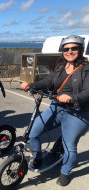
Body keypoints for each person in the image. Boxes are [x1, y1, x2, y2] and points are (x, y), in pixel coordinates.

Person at [20, 35, 89, 186]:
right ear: (62, 50)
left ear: (81, 49)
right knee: (31, 132)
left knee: (69, 146)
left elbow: (87, 92)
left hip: (78, 113)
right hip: (56, 107)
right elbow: (47, 81)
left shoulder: (87, 69)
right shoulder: (60, 67)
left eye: (74, 48)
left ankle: (65, 171)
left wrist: (72, 98)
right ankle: (38, 157)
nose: (70, 51)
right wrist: (31, 86)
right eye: (66, 48)